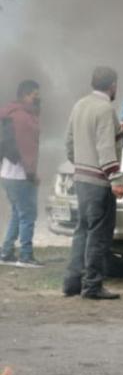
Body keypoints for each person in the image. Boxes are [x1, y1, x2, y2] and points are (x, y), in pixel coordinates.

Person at [63, 67, 123, 300]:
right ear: (112, 85)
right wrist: (116, 179)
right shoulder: (105, 109)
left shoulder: (80, 105)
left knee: (82, 231)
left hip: (81, 179)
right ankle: (92, 286)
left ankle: (71, 283)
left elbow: (69, 142)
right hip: (99, 183)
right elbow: (105, 148)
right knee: (98, 235)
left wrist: (81, 163)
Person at [0, 80, 42, 267]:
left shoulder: (9, 113)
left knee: (17, 213)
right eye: (35, 94)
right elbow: (27, 149)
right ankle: (26, 256)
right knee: (28, 214)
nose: (38, 98)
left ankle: (6, 252)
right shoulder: (23, 117)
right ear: (25, 95)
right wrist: (32, 174)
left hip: (6, 173)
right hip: (20, 174)